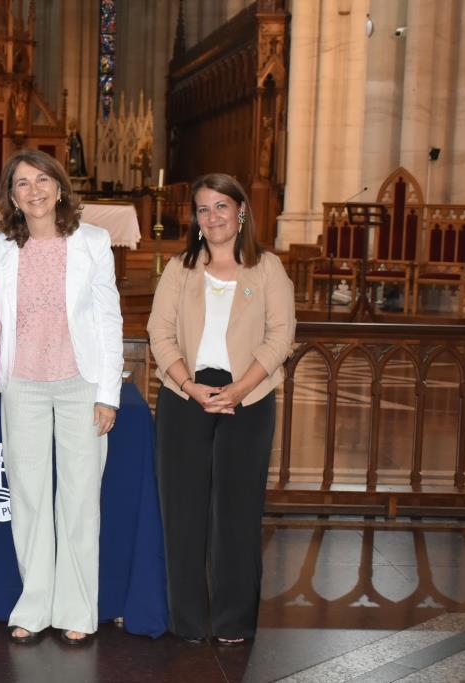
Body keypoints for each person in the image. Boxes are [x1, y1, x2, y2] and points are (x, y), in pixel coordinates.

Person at [0, 149, 123, 646]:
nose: (34, 190)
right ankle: (36, 603)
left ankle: (79, 607)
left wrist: (109, 393)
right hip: (21, 383)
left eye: (42, 180)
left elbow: (108, 321)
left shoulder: (93, 242)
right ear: (12, 197)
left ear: (59, 187)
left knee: (81, 499)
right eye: (22, 183)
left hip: (80, 383)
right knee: (29, 498)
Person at [147, 173, 296, 645]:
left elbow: (280, 336)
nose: (212, 217)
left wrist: (239, 389)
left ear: (241, 212)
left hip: (247, 395)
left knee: (237, 509)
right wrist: (190, 386)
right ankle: (187, 620)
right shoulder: (179, 268)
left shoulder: (268, 268)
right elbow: (159, 332)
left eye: (221, 207)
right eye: (204, 209)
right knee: (183, 509)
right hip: (185, 394)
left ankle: (233, 620)